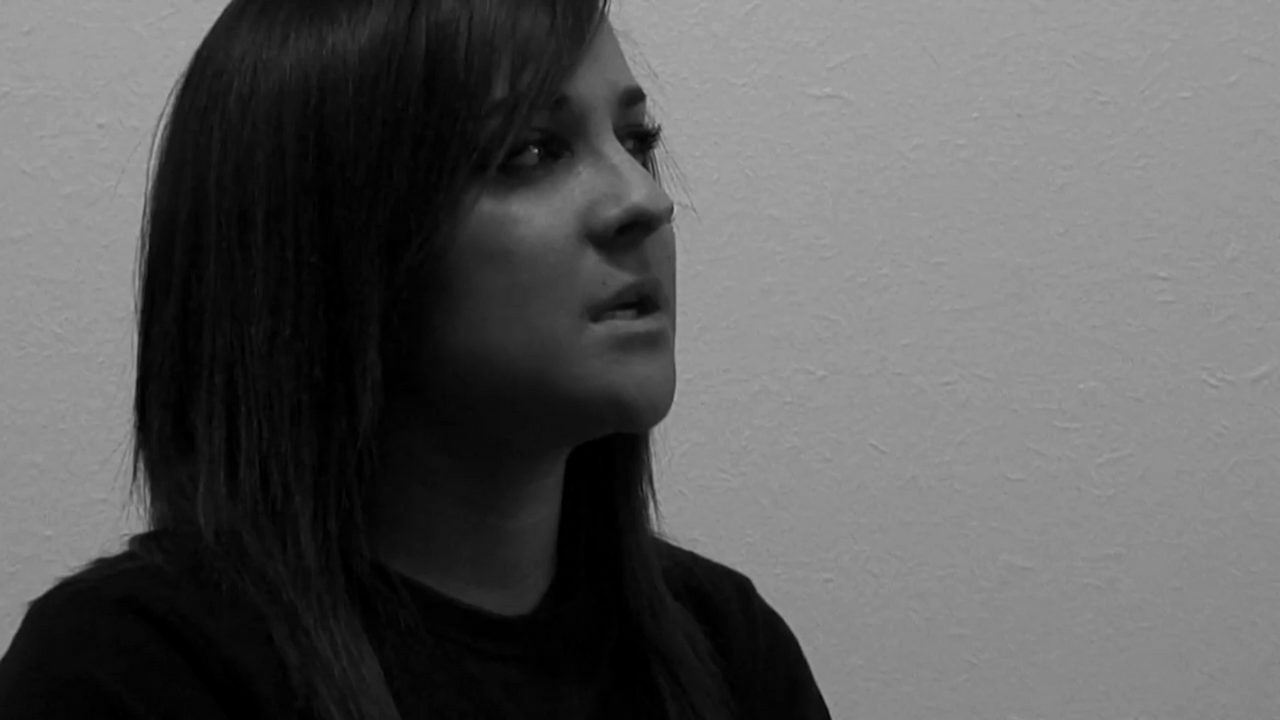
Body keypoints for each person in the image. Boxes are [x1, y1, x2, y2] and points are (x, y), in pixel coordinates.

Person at [0, 0, 833, 718]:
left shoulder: (724, 648)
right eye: (534, 150)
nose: (645, 199)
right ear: (326, 242)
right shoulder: (132, 674)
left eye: (636, 139)